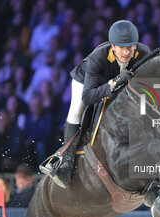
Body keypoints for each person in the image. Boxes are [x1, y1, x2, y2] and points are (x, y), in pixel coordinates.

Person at [49, 20, 150, 188]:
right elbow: (89, 96)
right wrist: (114, 82)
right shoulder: (98, 57)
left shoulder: (143, 53)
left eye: (130, 47)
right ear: (113, 46)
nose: (126, 52)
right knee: (76, 110)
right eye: (121, 47)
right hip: (88, 82)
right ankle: (66, 162)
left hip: (122, 84)